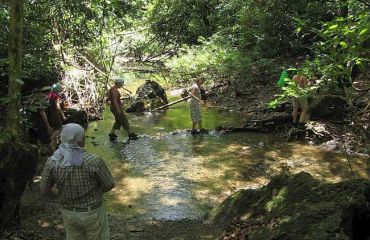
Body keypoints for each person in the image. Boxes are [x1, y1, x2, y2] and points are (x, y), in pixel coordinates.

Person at [40, 123, 115, 240]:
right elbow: (109, 184)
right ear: (81, 140)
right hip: (92, 212)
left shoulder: (53, 161)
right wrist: (95, 192)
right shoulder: (94, 161)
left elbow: (44, 190)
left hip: (68, 213)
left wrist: (59, 195)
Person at [47, 83, 67, 149]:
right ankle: (50, 143)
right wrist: (63, 115)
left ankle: (54, 147)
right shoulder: (56, 96)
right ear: (58, 89)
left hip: (49, 115)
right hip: (55, 115)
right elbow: (57, 106)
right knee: (59, 129)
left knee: (54, 129)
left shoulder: (49, 94)